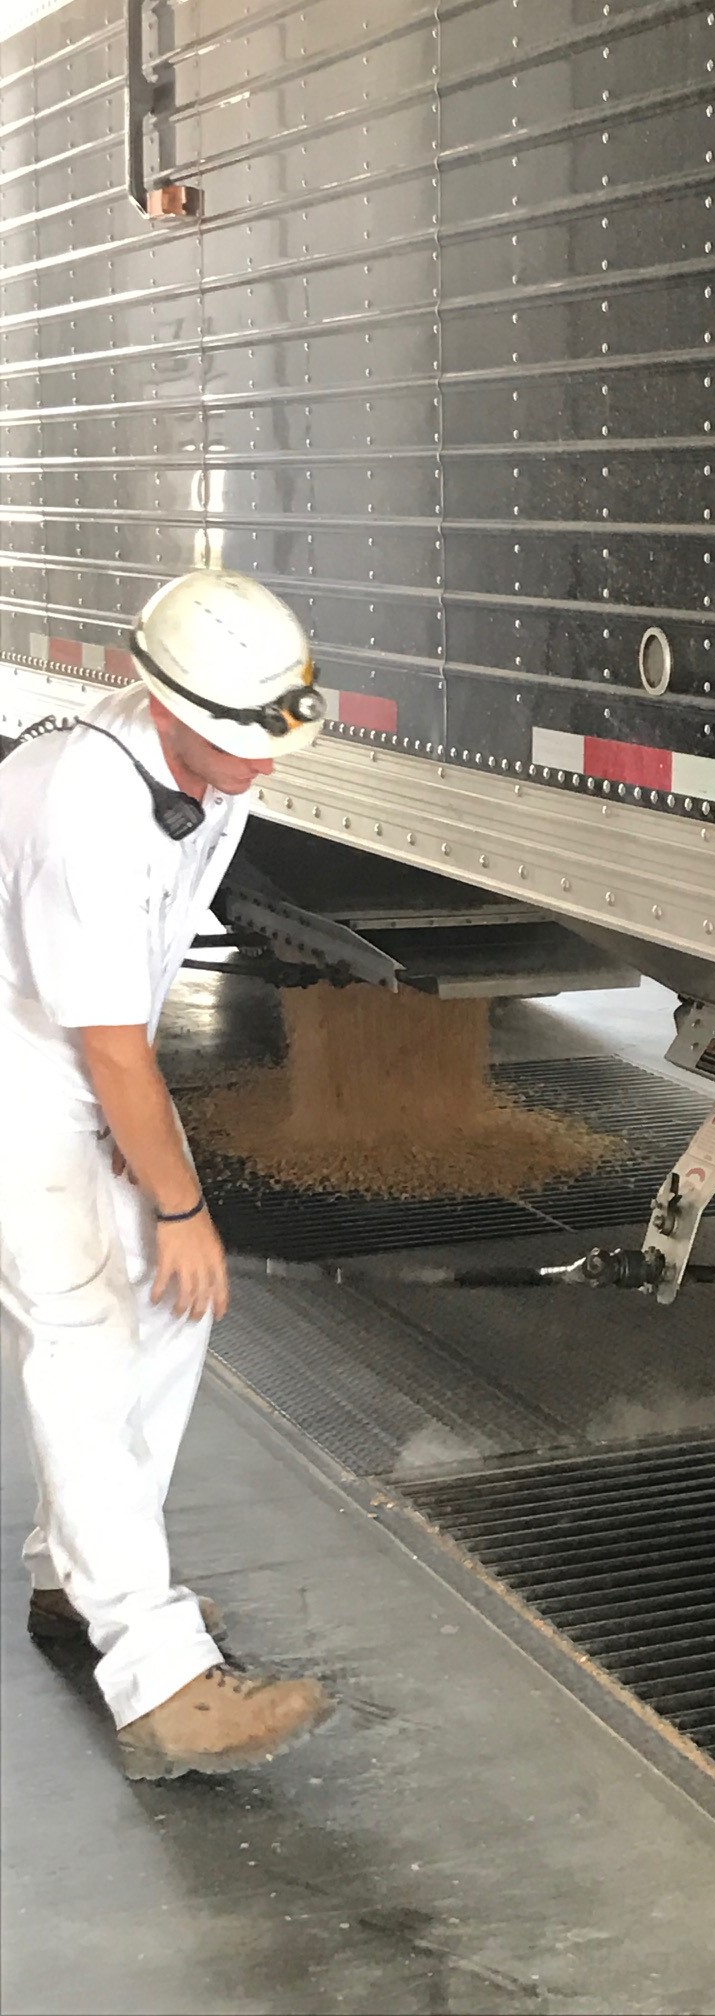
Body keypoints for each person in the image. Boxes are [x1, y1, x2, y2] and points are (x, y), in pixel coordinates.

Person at [0, 569, 334, 1781]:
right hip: (18, 1063)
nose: (267, 759)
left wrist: (174, 1223)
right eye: (246, 737)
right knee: (86, 1332)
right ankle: (159, 1680)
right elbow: (102, 1043)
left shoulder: (204, 770)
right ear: (168, 703)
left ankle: (70, 1582)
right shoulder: (88, 804)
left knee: (170, 1305)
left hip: (72, 1046)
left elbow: (122, 1015)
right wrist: (181, 1202)